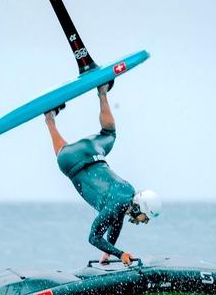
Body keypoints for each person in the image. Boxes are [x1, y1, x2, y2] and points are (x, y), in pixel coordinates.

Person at [43, 82, 162, 266]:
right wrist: (119, 254)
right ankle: (49, 118)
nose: (143, 222)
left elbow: (117, 222)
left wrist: (108, 252)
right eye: (145, 218)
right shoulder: (116, 207)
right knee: (63, 155)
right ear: (139, 207)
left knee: (109, 133)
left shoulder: (128, 192)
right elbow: (93, 237)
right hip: (70, 159)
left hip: (92, 149)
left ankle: (102, 91)